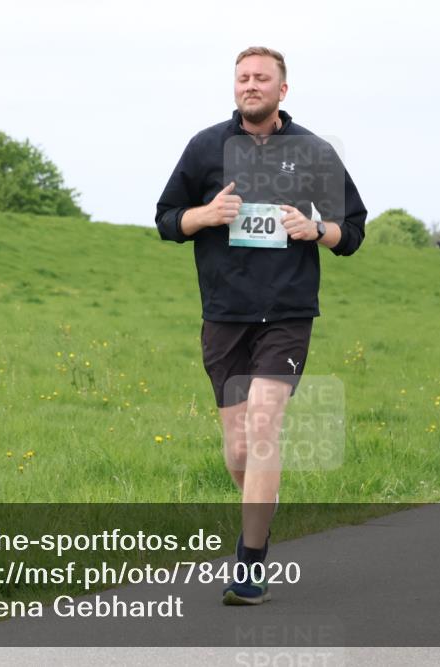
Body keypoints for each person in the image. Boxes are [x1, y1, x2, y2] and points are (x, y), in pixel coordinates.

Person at [155, 46, 367, 605]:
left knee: (264, 422)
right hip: (224, 314)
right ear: (235, 86)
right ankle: (261, 518)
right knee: (239, 449)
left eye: (262, 78)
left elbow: (352, 231)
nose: (251, 85)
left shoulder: (314, 151)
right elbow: (166, 219)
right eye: (243, 77)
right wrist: (205, 216)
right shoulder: (205, 147)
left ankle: (249, 567)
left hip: (287, 313)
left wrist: (314, 229)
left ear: (282, 90)